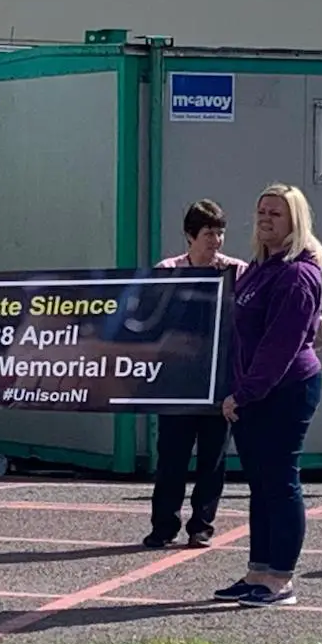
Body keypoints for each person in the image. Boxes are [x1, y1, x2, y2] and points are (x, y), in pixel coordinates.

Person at [216, 183, 322, 608]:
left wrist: (243, 394)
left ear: (295, 222)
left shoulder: (297, 274)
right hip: (253, 391)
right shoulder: (261, 268)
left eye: (276, 214)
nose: (265, 219)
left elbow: (278, 346)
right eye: (262, 211)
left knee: (280, 483)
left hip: (285, 390)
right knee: (259, 485)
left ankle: (280, 580)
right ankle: (257, 572)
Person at [143, 199, 247, 549]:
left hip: (219, 383)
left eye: (220, 232)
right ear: (190, 236)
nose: (216, 241)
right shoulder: (167, 270)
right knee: (171, 457)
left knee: (213, 459)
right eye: (208, 233)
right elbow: (150, 321)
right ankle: (163, 525)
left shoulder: (237, 271)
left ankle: (202, 524)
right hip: (177, 382)